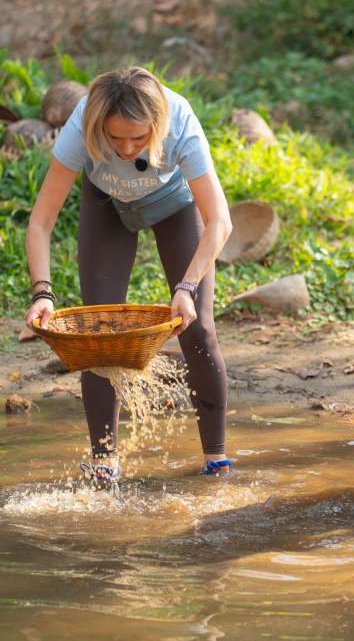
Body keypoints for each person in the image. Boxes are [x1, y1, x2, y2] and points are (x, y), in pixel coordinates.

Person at [24, 66, 232, 489]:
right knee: (98, 335)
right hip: (106, 205)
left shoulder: (181, 122)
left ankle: (216, 459)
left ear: (157, 125)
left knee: (198, 329)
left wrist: (186, 288)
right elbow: (41, 222)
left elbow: (220, 222)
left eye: (137, 139)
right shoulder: (81, 124)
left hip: (174, 204)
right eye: (115, 138)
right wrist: (42, 293)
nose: (125, 148)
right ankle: (104, 462)